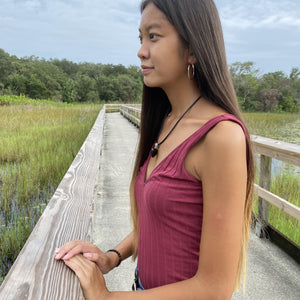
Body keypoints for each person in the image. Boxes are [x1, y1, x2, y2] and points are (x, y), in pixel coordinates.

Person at [55, 0, 254, 299]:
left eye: (154, 36)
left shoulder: (221, 136)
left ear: (194, 48)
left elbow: (215, 288)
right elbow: (161, 219)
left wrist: (108, 297)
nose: (141, 51)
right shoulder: (167, 121)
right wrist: (112, 257)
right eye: (140, 38)